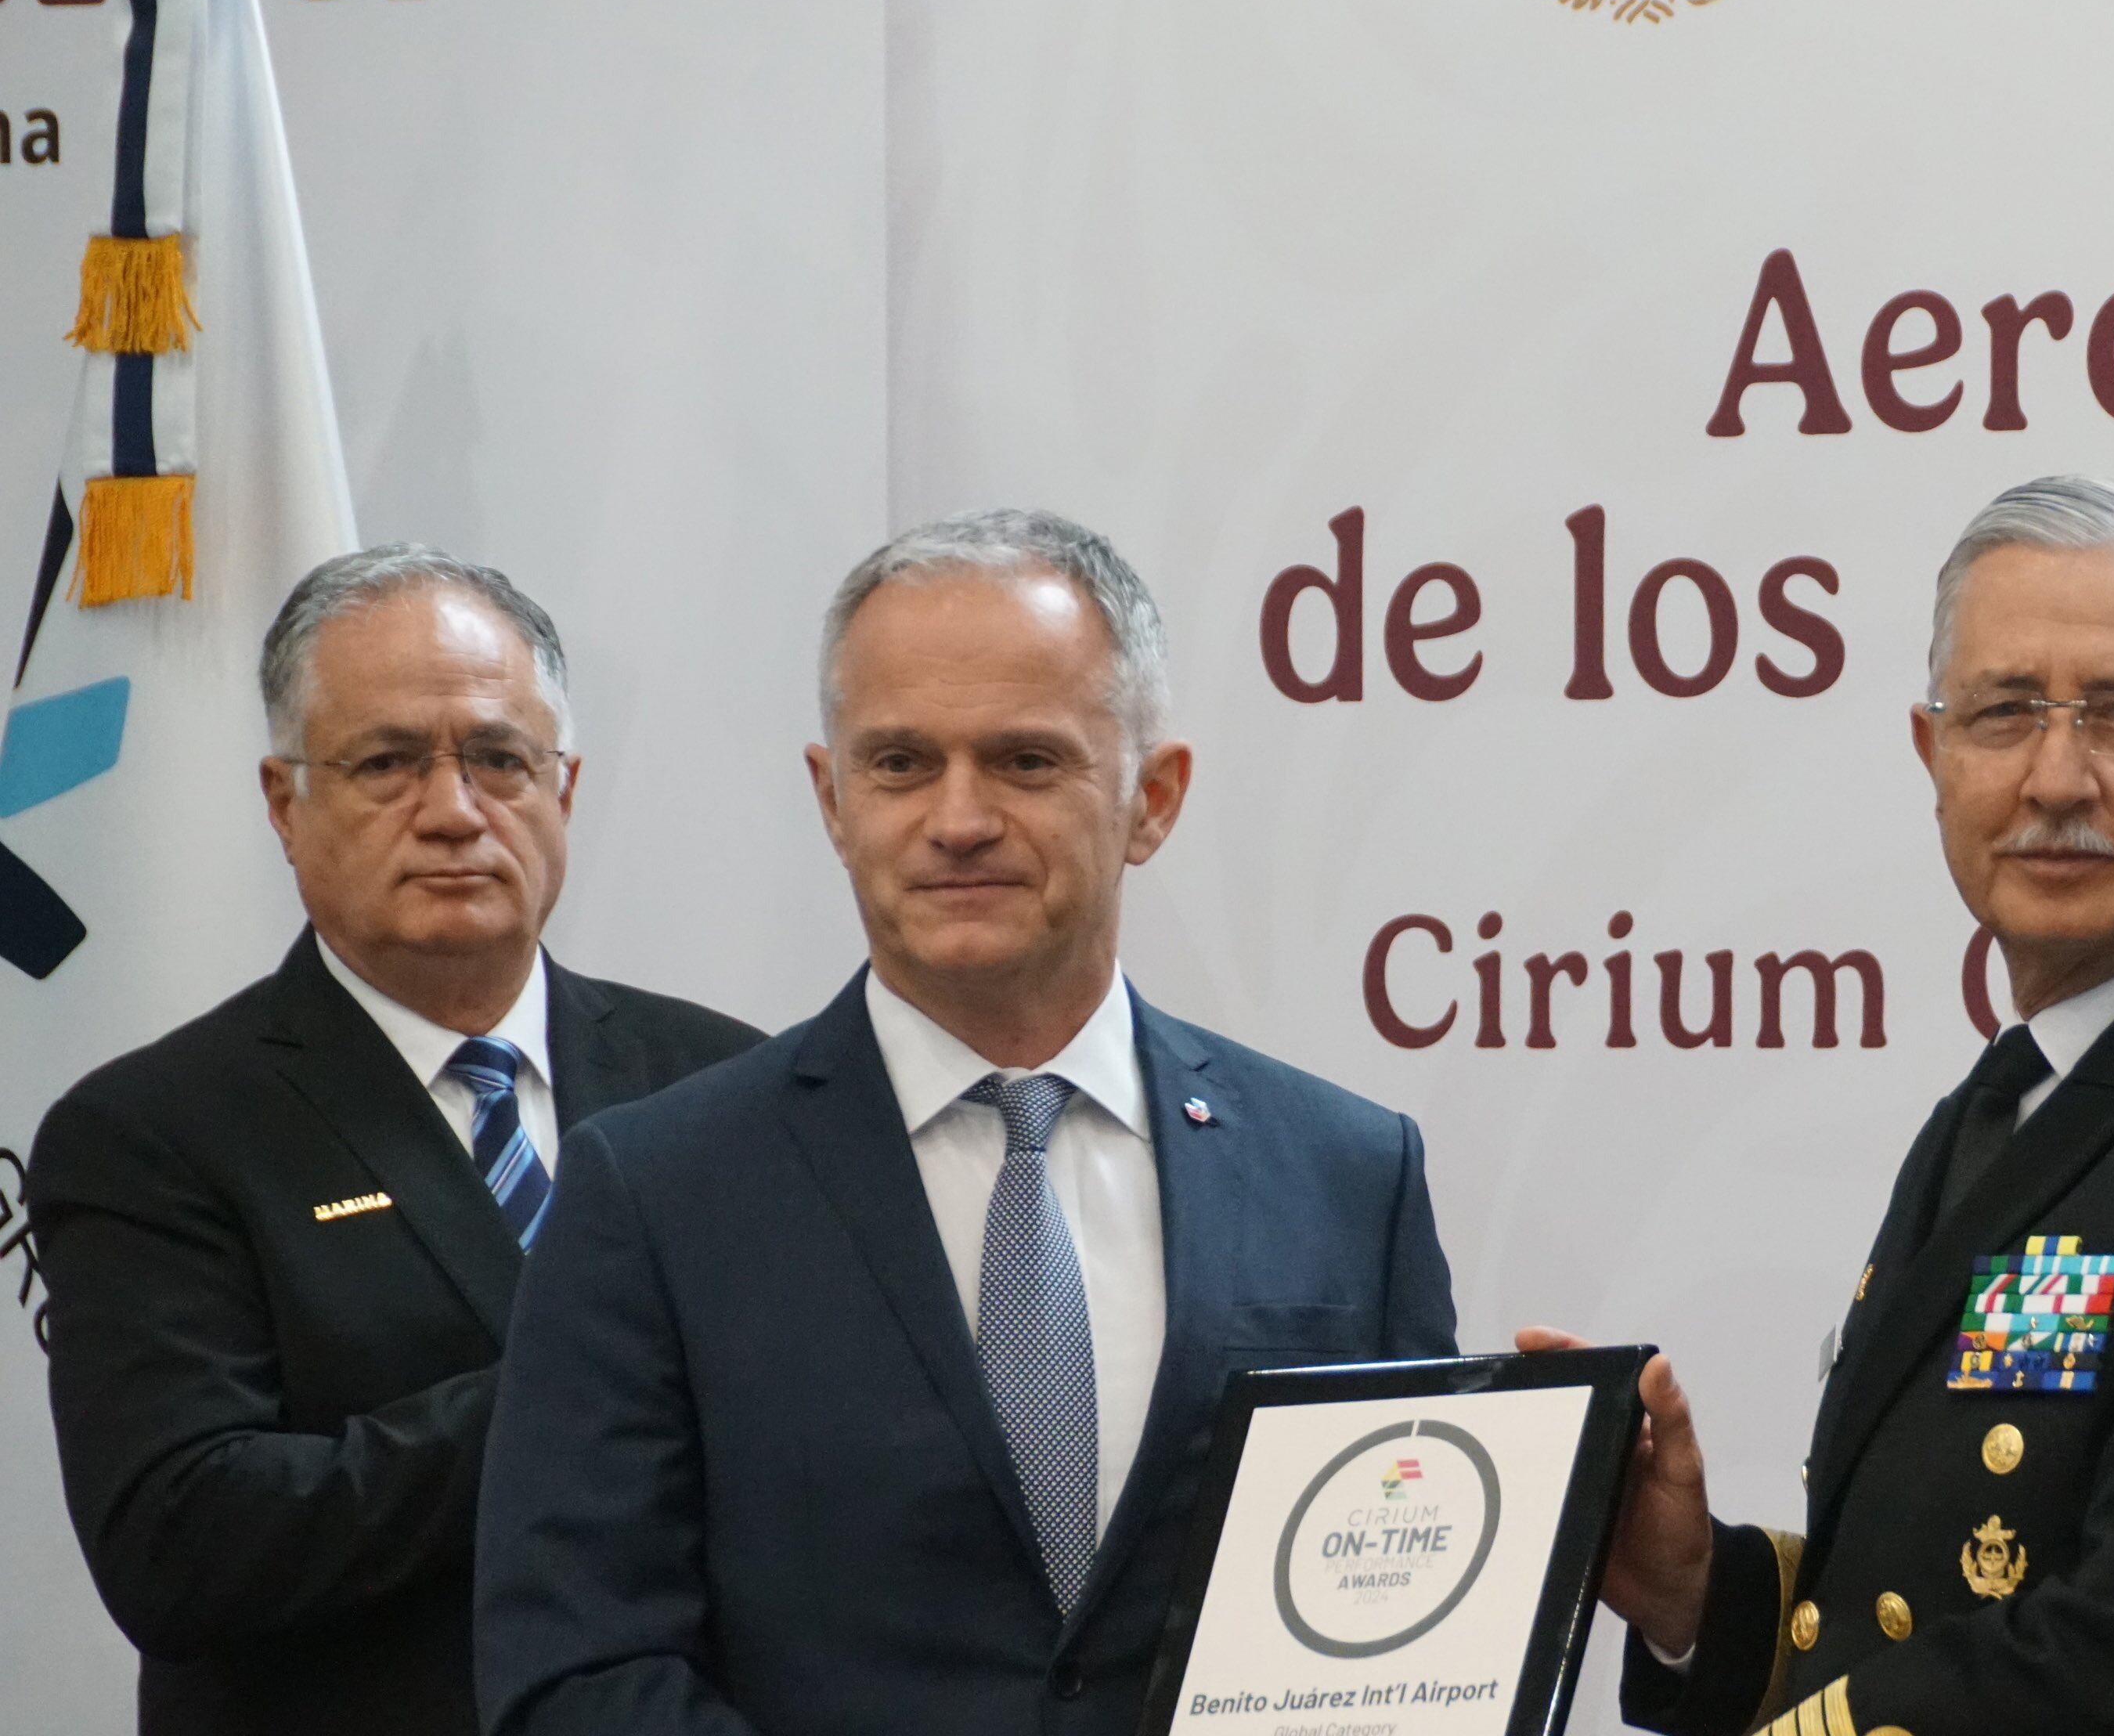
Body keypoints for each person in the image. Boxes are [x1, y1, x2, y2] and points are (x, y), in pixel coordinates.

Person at [1524, 476, 2114, 1736]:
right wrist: (1693, 1592)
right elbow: (1916, 1601)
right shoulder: (2010, 1100)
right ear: (1934, 757)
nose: (2055, 777)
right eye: (2002, 712)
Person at [474, 509, 1459, 1735]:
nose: (957, 820)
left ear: (1153, 799)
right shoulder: (655, 1194)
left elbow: (1415, 1645)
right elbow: (576, 1672)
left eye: (1026, 762)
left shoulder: (1348, 1178)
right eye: (899, 765)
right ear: (832, 800)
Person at [28, 547, 766, 1736]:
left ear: (563, 789)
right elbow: (182, 1541)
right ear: (284, 803)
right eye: (387, 763)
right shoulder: (153, 1132)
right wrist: (594, 1384)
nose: (454, 810)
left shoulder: (728, 1082)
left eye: (498, 759)